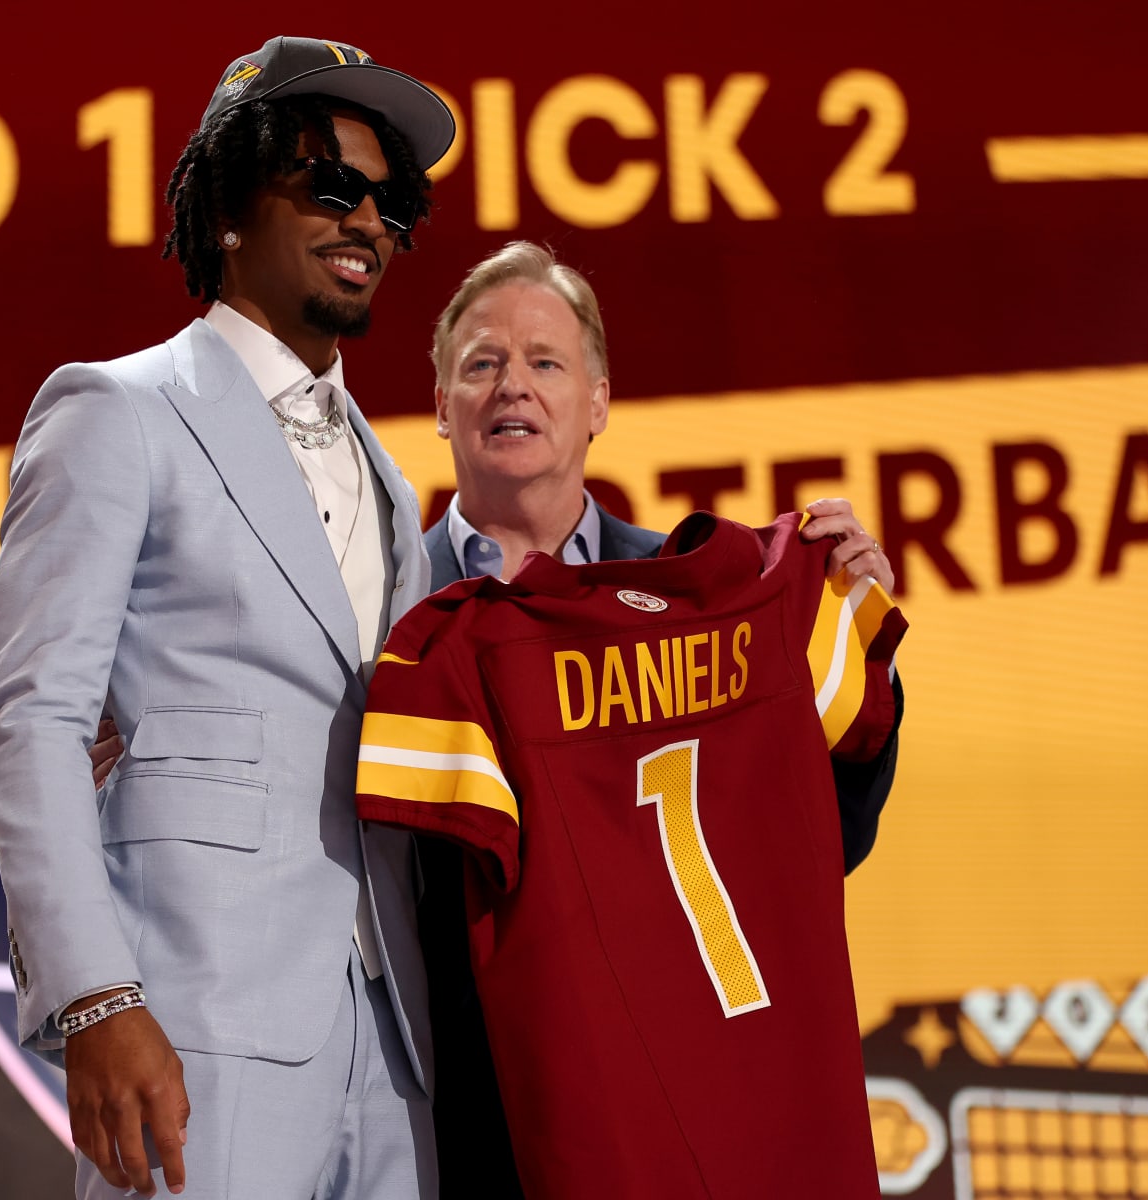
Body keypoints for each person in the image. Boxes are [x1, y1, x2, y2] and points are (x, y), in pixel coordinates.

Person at [0, 37, 454, 1200]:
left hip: (392, 1044)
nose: (367, 223)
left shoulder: (396, 485)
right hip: (193, 1026)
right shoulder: (114, 409)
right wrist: (97, 999)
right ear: (230, 209)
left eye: (392, 204)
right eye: (330, 186)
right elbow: (31, 723)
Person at [418, 241, 904, 1194]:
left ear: (598, 400)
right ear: (441, 407)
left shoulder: (702, 599)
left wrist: (855, 649)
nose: (513, 385)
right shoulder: (381, 616)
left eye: (545, 362)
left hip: (687, 1103)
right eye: (481, 363)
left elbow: (819, 840)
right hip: (462, 1127)